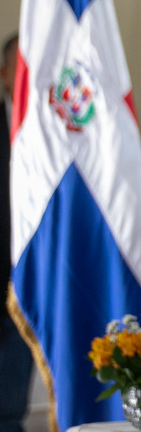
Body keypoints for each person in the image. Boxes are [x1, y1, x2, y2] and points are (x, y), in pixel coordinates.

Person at [2, 33, 35, 432]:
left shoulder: (55, 129)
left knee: (13, 412)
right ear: (5, 74)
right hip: (3, 295)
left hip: (34, 291)